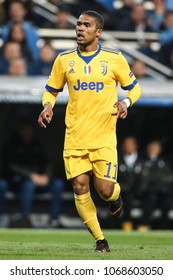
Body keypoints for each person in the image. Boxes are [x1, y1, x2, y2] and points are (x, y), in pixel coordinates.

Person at [38, 10, 141, 252]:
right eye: (78, 24)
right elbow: (51, 90)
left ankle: (116, 197)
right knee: (79, 187)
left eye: (86, 25)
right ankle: (100, 240)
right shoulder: (63, 59)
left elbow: (135, 89)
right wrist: (47, 106)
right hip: (74, 137)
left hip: (104, 137)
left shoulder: (114, 59)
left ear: (98, 32)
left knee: (104, 190)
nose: (80, 29)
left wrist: (125, 103)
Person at [0, 122, 64, 228]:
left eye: (29, 129)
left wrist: (46, 176)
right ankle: (24, 219)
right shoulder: (11, 144)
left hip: (39, 181)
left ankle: (54, 219)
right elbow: (11, 166)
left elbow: (47, 162)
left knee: (58, 184)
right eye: (25, 129)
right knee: (28, 185)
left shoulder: (37, 144)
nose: (27, 132)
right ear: (20, 130)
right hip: (17, 182)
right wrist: (31, 175)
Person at [137, 140, 173, 231]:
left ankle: (164, 227)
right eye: (152, 148)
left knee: (167, 202)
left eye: (156, 148)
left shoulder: (163, 162)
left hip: (161, 190)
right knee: (151, 198)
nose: (154, 150)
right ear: (148, 149)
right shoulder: (143, 161)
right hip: (148, 191)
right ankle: (144, 224)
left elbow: (169, 176)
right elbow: (143, 178)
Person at [118, 136, 143, 231]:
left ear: (135, 146)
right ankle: (126, 224)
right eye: (126, 144)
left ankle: (144, 224)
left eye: (130, 144)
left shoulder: (142, 159)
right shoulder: (118, 158)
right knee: (126, 198)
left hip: (139, 190)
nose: (128, 146)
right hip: (123, 190)